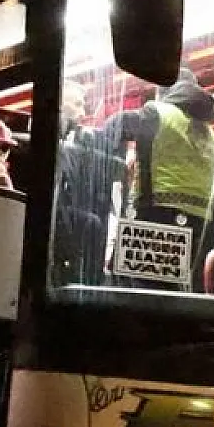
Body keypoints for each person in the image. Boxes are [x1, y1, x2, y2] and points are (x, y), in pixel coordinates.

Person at [104, 66, 214, 284]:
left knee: (131, 287)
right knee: (170, 287)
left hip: (156, 213)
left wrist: (107, 165)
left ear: (164, 92)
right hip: (198, 220)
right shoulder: (208, 131)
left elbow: (116, 125)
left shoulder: (158, 112)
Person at [49, 78, 124, 287]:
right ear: (59, 102)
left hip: (58, 216)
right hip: (51, 218)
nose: (83, 113)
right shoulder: (53, 143)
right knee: (92, 225)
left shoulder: (69, 146)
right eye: (77, 104)